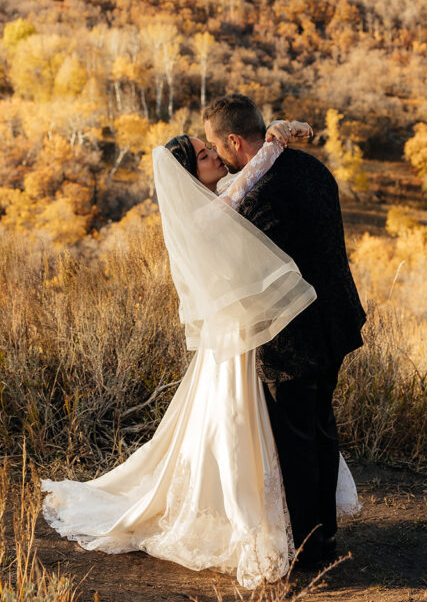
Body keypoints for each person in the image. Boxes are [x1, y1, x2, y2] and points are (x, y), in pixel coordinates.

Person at [40, 117, 360, 588]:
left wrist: (273, 139)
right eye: (204, 154)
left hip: (259, 335)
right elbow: (249, 180)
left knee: (280, 430)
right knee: (251, 429)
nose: (214, 155)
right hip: (245, 339)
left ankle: (303, 528)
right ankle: (283, 527)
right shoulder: (208, 213)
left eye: (211, 147)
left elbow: (248, 175)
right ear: (191, 172)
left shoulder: (226, 193)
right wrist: (272, 141)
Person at [204, 95, 367, 570]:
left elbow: (247, 274)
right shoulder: (312, 170)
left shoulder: (257, 196)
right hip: (336, 319)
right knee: (321, 426)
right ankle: (326, 537)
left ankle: (308, 550)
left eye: (217, 146)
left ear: (234, 141)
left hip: (292, 336)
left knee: (295, 442)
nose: (217, 155)